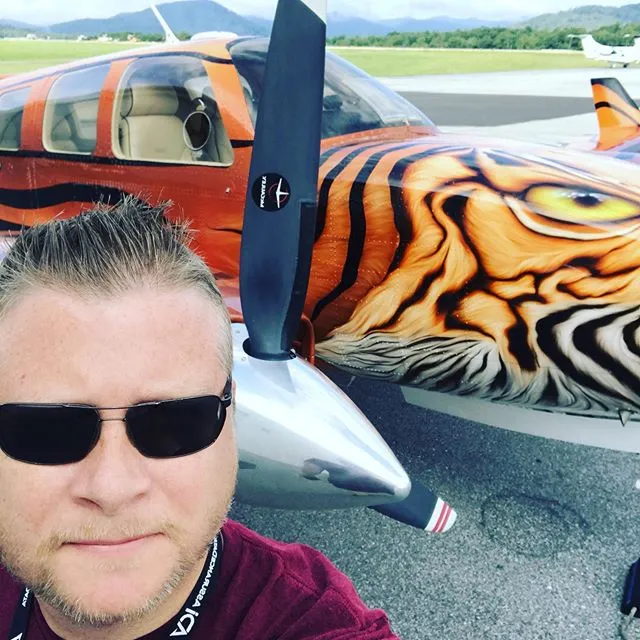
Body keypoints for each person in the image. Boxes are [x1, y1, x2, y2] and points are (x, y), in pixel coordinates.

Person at [0, 200, 399, 639]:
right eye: (45, 430)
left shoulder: (313, 622)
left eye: (175, 422)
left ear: (232, 419)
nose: (112, 489)